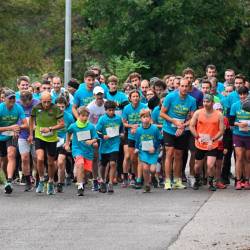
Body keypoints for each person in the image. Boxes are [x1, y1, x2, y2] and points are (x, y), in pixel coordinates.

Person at [160, 78, 196, 190]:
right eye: (182, 86)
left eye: (186, 86)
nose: (184, 88)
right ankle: (167, 180)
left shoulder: (192, 100)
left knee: (179, 155)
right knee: (169, 153)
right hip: (169, 129)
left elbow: (193, 118)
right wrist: (174, 121)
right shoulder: (170, 96)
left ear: (189, 87)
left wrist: (183, 125)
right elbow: (162, 113)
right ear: (178, 86)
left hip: (182, 130)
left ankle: (176, 180)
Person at [28, 91, 64, 195]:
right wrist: (31, 134)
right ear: (40, 101)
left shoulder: (56, 108)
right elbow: (31, 120)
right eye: (44, 102)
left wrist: (50, 128)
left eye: (49, 102)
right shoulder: (36, 108)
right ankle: (42, 180)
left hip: (52, 137)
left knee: (50, 162)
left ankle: (51, 181)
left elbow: (62, 124)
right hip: (39, 136)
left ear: (51, 101)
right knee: (39, 158)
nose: (47, 104)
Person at [190, 94, 224, 191]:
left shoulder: (218, 114)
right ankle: (197, 179)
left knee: (210, 164)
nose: (205, 104)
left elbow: (221, 130)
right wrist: (197, 137)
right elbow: (192, 126)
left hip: (212, 144)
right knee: (197, 165)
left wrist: (212, 140)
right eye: (204, 102)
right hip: (200, 143)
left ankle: (211, 182)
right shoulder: (198, 113)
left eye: (208, 102)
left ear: (212, 103)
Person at [64, 107, 98, 196]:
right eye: (82, 116)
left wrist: (91, 141)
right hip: (77, 149)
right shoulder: (74, 126)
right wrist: (67, 143)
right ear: (78, 116)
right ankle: (80, 187)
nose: (84, 118)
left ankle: (82, 180)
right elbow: (68, 132)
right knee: (80, 164)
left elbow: (95, 138)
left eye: (86, 116)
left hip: (88, 151)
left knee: (86, 172)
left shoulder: (91, 126)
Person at [0, 89, 28, 194]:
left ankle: (9, 181)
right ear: (4, 99)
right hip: (1, 135)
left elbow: (26, 124)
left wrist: (17, 127)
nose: (12, 100)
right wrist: (9, 127)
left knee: (11, 155)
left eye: (13, 98)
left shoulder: (18, 108)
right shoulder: (1, 108)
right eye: (10, 98)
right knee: (3, 161)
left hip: (11, 136)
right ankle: (5, 179)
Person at [96, 101, 123, 193]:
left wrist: (122, 134)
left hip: (115, 144)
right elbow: (97, 131)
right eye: (109, 110)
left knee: (112, 163)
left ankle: (110, 183)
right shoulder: (102, 119)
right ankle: (102, 181)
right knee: (103, 165)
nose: (111, 112)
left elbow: (121, 129)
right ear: (106, 110)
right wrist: (103, 136)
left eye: (113, 110)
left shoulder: (118, 119)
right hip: (104, 145)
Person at [122, 89, 147, 187]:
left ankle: (139, 179)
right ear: (130, 98)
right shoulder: (127, 108)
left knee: (141, 157)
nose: (135, 98)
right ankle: (135, 176)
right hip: (131, 136)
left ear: (140, 97)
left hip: (142, 135)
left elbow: (148, 121)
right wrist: (131, 126)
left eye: (137, 96)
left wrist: (138, 127)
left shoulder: (144, 107)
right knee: (133, 158)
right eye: (133, 96)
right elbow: (124, 122)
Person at [17, 91, 39, 191]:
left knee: (37, 158)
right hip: (22, 134)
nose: (24, 105)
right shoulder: (17, 104)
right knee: (25, 158)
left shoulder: (37, 104)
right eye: (23, 102)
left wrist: (35, 128)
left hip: (36, 135)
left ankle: (39, 178)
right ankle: (28, 181)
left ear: (31, 100)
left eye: (26, 103)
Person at [135, 109, 162, 193]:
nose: (145, 119)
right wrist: (136, 148)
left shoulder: (154, 129)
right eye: (143, 117)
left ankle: (153, 177)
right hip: (143, 151)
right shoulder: (139, 130)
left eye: (147, 117)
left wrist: (155, 147)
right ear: (141, 119)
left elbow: (160, 139)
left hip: (153, 152)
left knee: (153, 170)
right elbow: (137, 140)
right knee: (145, 168)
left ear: (150, 118)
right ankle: (147, 184)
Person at [229, 86, 250, 190]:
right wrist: (238, 124)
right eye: (240, 94)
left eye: (244, 94)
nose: (242, 96)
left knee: (248, 158)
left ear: (248, 94)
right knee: (239, 157)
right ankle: (238, 180)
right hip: (238, 134)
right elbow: (231, 122)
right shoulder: (235, 105)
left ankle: (247, 180)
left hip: (249, 135)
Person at [55, 96, 75, 192]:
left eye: (62, 107)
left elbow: (72, 131)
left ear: (65, 106)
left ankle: (60, 183)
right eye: (58, 106)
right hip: (52, 141)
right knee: (53, 164)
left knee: (61, 161)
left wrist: (67, 142)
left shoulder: (69, 117)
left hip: (64, 141)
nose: (60, 109)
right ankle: (50, 180)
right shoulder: (51, 116)